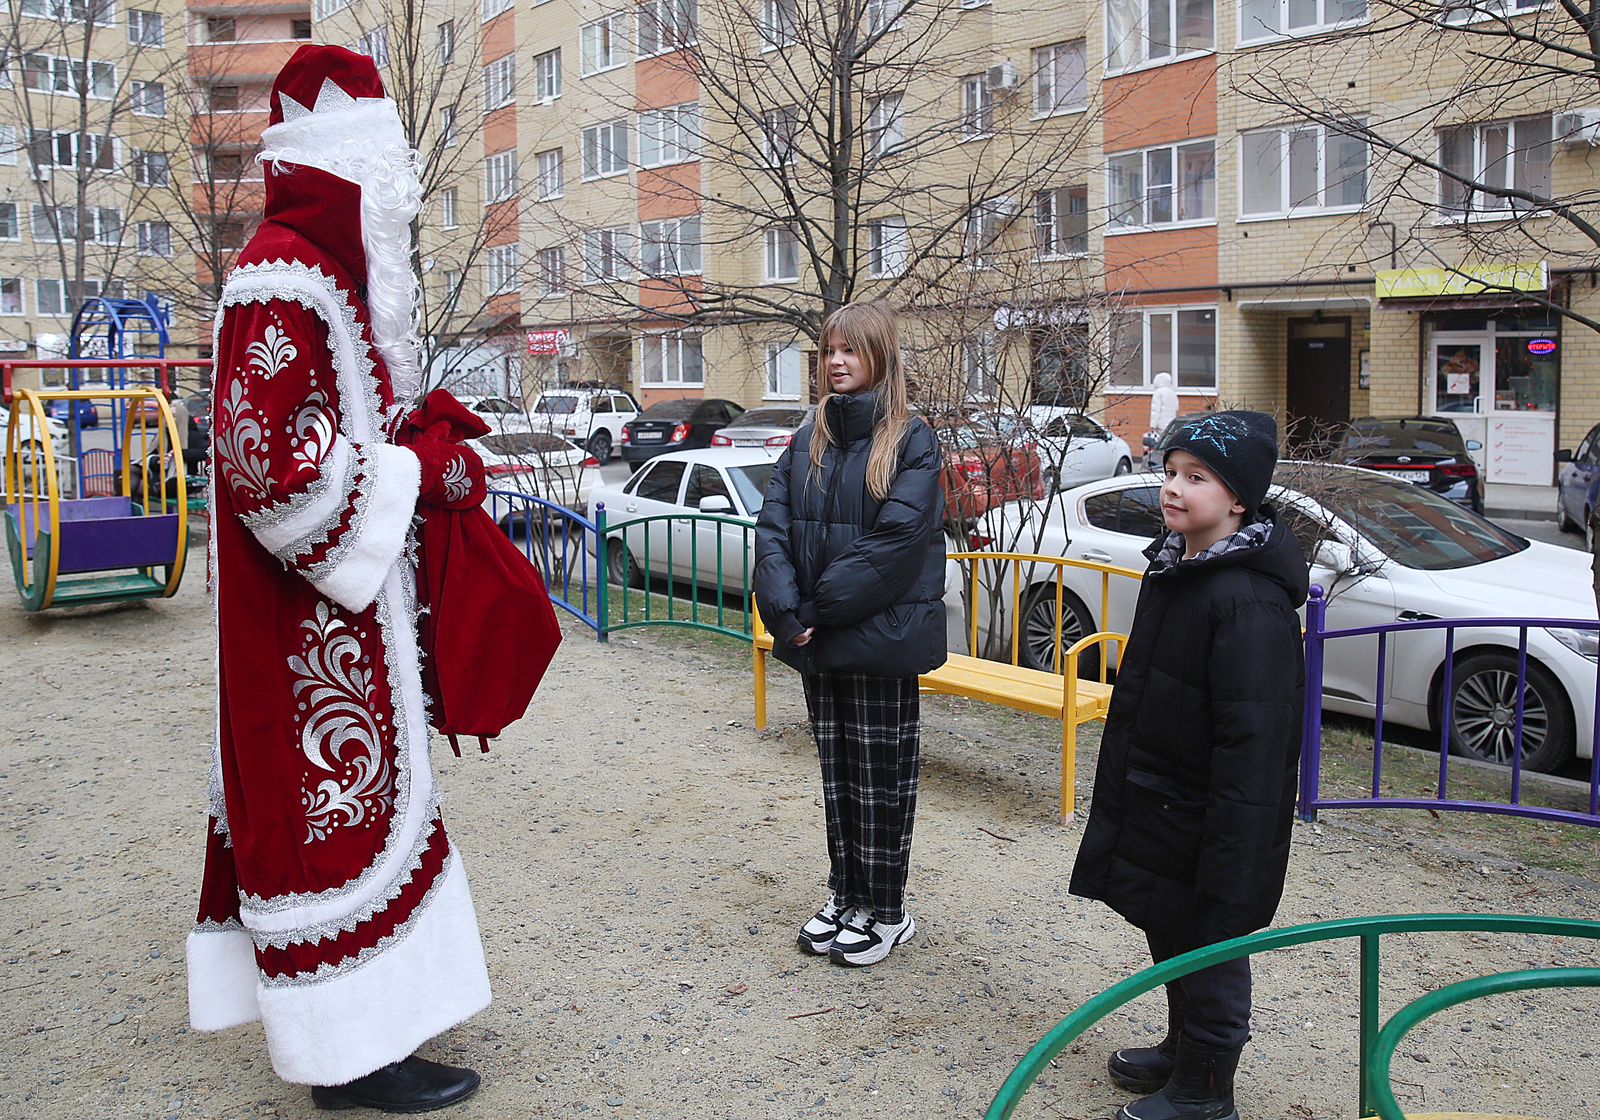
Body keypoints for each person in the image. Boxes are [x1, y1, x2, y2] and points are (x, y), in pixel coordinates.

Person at [186, 46, 492, 1113]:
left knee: (367, 815)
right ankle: (351, 1056)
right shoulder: (281, 280)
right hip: (307, 627)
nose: (403, 197)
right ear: (352, 165)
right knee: (331, 822)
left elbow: (334, 430)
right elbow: (268, 467)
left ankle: (375, 1030)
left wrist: (419, 442)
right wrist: (419, 472)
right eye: (392, 170)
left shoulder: (322, 281)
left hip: (338, 621)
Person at [1069, 411, 1307, 1120]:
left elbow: (1255, 746)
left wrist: (1233, 855)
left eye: (1196, 477)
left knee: (1211, 947)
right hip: (1166, 800)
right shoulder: (1178, 568)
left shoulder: (1247, 600)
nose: (1174, 488)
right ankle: (1184, 1050)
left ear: (1238, 498)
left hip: (1214, 817)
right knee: (1170, 928)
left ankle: (1208, 1091)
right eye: (1171, 471)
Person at [753, 302, 947, 968]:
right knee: (839, 777)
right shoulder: (809, 435)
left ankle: (887, 911)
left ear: (880, 358)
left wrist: (813, 611)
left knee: (882, 780)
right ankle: (847, 895)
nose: (837, 361)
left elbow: (895, 545)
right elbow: (772, 528)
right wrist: (785, 607)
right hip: (823, 638)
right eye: (830, 349)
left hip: (879, 637)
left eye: (851, 350)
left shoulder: (912, 439)